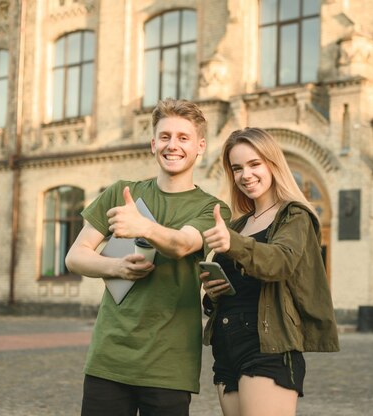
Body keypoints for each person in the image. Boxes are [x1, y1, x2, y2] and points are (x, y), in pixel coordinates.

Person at [65, 98, 231, 416]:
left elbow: (183, 244)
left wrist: (144, 227)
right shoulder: (121, 191)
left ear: (200, 146)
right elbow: (76, 257)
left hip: (169, 365)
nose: (173, 145)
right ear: (153, 143)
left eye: (183, 138)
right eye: (165, 137)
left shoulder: (212, 209)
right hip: (109, 359)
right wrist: (116, 266)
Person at [200, 128, 340, 416]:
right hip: (227, 348)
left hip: (268, 347)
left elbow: (280, 262)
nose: (245, 175)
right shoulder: (238, 226)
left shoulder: (294, 216)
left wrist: (233, 243)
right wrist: (212, 293)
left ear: (272, 164)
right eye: (237, 168)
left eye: (254, 164)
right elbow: (235, 287)